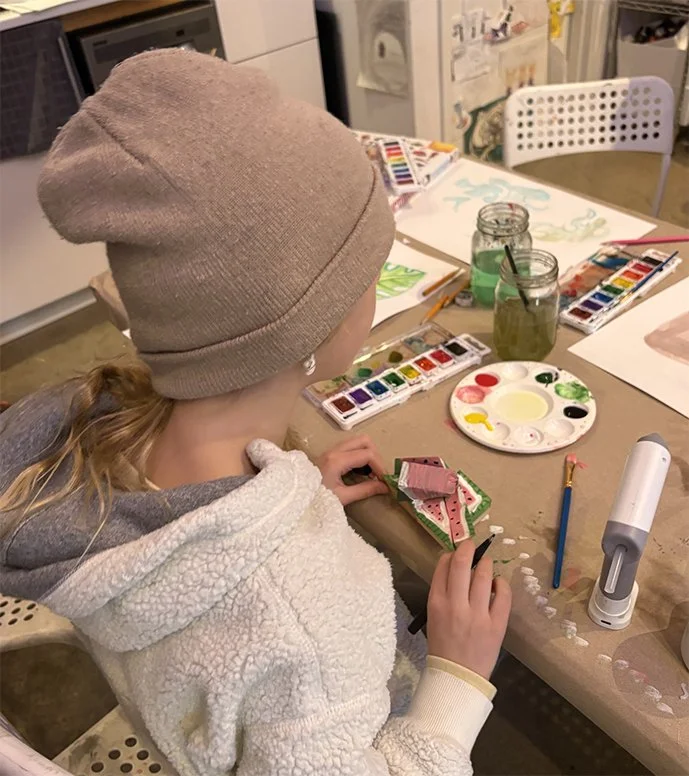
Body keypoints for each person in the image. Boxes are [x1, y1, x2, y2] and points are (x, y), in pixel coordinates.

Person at [0, 50, 511, 775]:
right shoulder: (299, 627)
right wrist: (456, 682)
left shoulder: (89, 429)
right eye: (369, 272)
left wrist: (290, 497)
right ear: (303, 329)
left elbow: (196, 549)